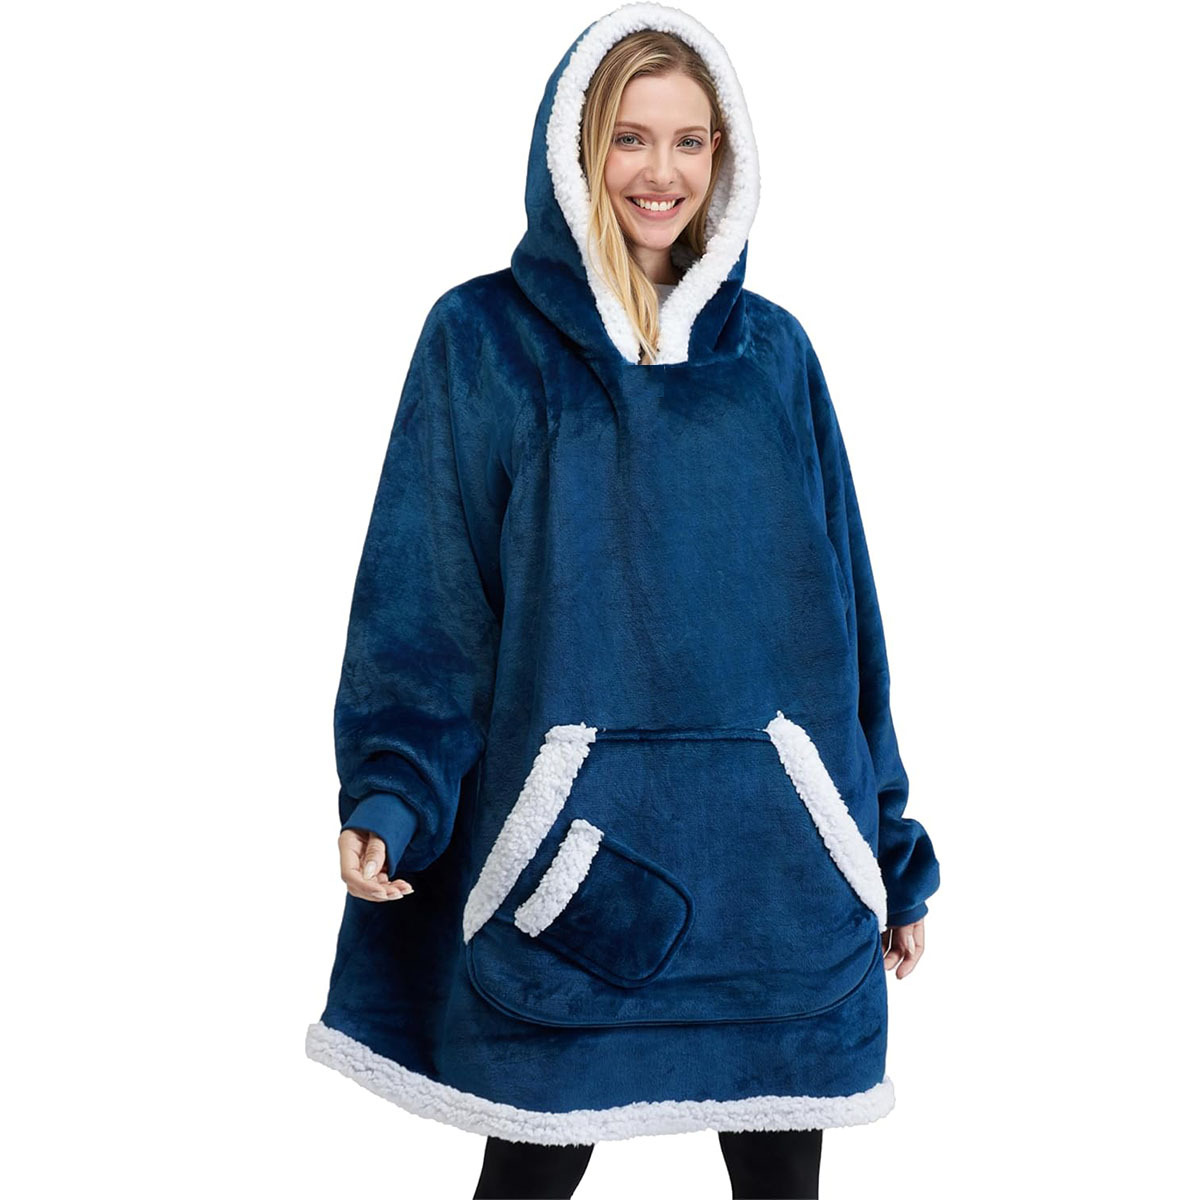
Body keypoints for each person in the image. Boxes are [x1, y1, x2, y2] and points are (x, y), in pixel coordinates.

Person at [305, 5, 940, 1198]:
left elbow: (849, 624)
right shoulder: (483, 340)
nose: (661, 173)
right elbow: (428, 597)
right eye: (631, 139)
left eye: (690, 141)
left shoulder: (776, 356)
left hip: (780, 877)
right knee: (530, 1175)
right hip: (577, 862)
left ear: (723, 157)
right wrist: (394, 789)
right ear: (578, 150)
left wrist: (890, 850)